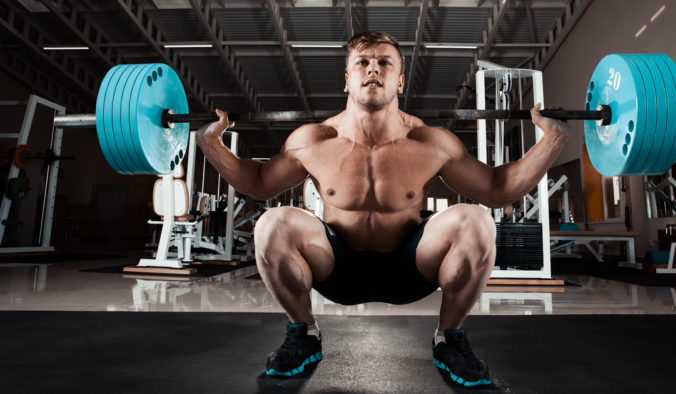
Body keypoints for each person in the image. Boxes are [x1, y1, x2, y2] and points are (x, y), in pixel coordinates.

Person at [196, 31, 570, 387]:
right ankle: (303, 333)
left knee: (477, 221)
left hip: (408, 267)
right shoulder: (313, 140)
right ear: (347, 80)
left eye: (384, 63)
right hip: (336, 268)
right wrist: (212, 144)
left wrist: (553, 139)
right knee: (272, 224)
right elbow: (259, 183)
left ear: (400, 81)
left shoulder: (430, 142)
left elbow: (499, 190)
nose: (373, 69)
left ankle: (449, 339)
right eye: (362, 62)